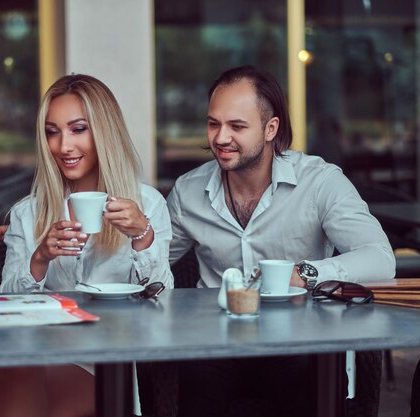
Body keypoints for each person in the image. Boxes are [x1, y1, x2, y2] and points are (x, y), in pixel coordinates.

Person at [168, 65, 395, 417]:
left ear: (271, 128)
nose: (220, 137)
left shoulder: (319, 181)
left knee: (308, 375)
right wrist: (138, 235)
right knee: (189, 375)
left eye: (237, 126)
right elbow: (150, 263)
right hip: (217, 343)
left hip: (301, 341)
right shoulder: (188, 191)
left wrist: (304, 274)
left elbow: (381, 258)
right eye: (214, 123)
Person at [0, 73, 173, 417]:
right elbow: (8, 305)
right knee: (16, 369)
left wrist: (142, 236)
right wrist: (40, 258)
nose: (64, 146)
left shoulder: (147, 206)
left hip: (102, 361)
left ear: (104, 132)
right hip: (30, 348)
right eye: (53, 132)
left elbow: (163, 301)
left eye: (78, 129)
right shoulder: (28, 212)